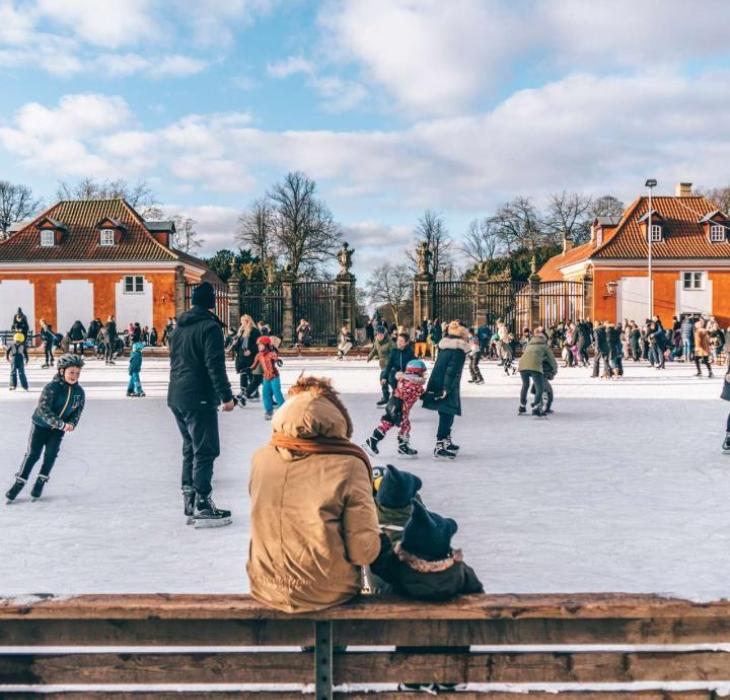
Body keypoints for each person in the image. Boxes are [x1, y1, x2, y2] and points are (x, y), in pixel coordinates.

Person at [247, 375, 381, 613]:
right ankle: (333, 650)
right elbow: (364, 550)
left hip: (266, 585)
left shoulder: (262, 458)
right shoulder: (348, 465)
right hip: (328, 590)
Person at [167, 281, 235, 527]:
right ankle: (203, 504)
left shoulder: (179, 328)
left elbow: (175, 362)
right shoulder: (209, 328)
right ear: (211, 304)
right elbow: (214, 365)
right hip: (199, 396)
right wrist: (226, 396)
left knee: (190, 446)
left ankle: (189, 497)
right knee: (205, 449)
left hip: (177, 395)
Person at [5, 354, 85, 503]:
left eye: (77, 373)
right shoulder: (51, 388)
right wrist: (60, 423)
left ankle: (41, 481)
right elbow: (43, 410)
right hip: (41, 426)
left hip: (57, 431)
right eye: (71, 372)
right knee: (33, 454)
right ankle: (19, 482)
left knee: (50, 455)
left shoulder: (79, 392)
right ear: (62, 371)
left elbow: (77, 412)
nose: (75, 376)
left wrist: (72, 424)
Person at [422, 321, 468, 460]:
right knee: (447, 414)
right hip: (447, 386)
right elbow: (451, 371)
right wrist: (446, 389)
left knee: (448, 413)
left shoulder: (446, 345)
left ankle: (446, 441)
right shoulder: (458, 350)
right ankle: (439, 446)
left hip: (440, 383)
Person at [365, 359, 427, 458]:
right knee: (403, 426)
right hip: (399, 408)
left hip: (394, 405)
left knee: (390, 423)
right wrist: (433, 394)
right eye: (422, 372)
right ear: (416, 372)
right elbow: (421, 394)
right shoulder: (413, 384)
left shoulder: (405, 380)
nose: (424, 374)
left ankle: (375, 441)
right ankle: (374, 441)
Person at [517, 328, 558, 417]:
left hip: (522, 365)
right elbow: (552, 360)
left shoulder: (529, 344)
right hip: (535, 366)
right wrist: (554, 371)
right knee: (539, 387)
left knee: (525, 385)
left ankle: (522, 406)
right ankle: (536, 407)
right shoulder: (544, 346)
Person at [251, 336, 286, 421]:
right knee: (265, 394)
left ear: (266, 345)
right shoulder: (258, 355)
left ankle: (284, 410)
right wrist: (247, 369)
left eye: (261, 345)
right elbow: (254, 365)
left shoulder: (271, 353)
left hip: (274, 376)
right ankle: (269, 411)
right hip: (266, 377)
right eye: (258, 345)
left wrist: (278, 360)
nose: (259, 346)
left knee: (277, 392)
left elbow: (275, 357)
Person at [231, 314, 260, 403]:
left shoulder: (255, 331)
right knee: (243, 375)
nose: (241, 323)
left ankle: (253, 392)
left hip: (250, 357)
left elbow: (258, 344)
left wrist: (251, 350)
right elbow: (238, 345)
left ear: (248, 321)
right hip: (241, 357)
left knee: (251, 375)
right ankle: (243, 392)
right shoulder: (241, 331)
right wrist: (235, 342)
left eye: (243, 321)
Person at [366, 326, 394, 407]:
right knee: (383, 381)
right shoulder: (376, 341)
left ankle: (394, 398)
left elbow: (394, 353)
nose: (379, 336)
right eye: (378, 335)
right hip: (383, 365)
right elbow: (375, 350)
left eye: (381, 335)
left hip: (390, 366)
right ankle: (386, 398)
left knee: (390, 380)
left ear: (384, 334)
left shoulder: (390, 343)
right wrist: (370, 357)